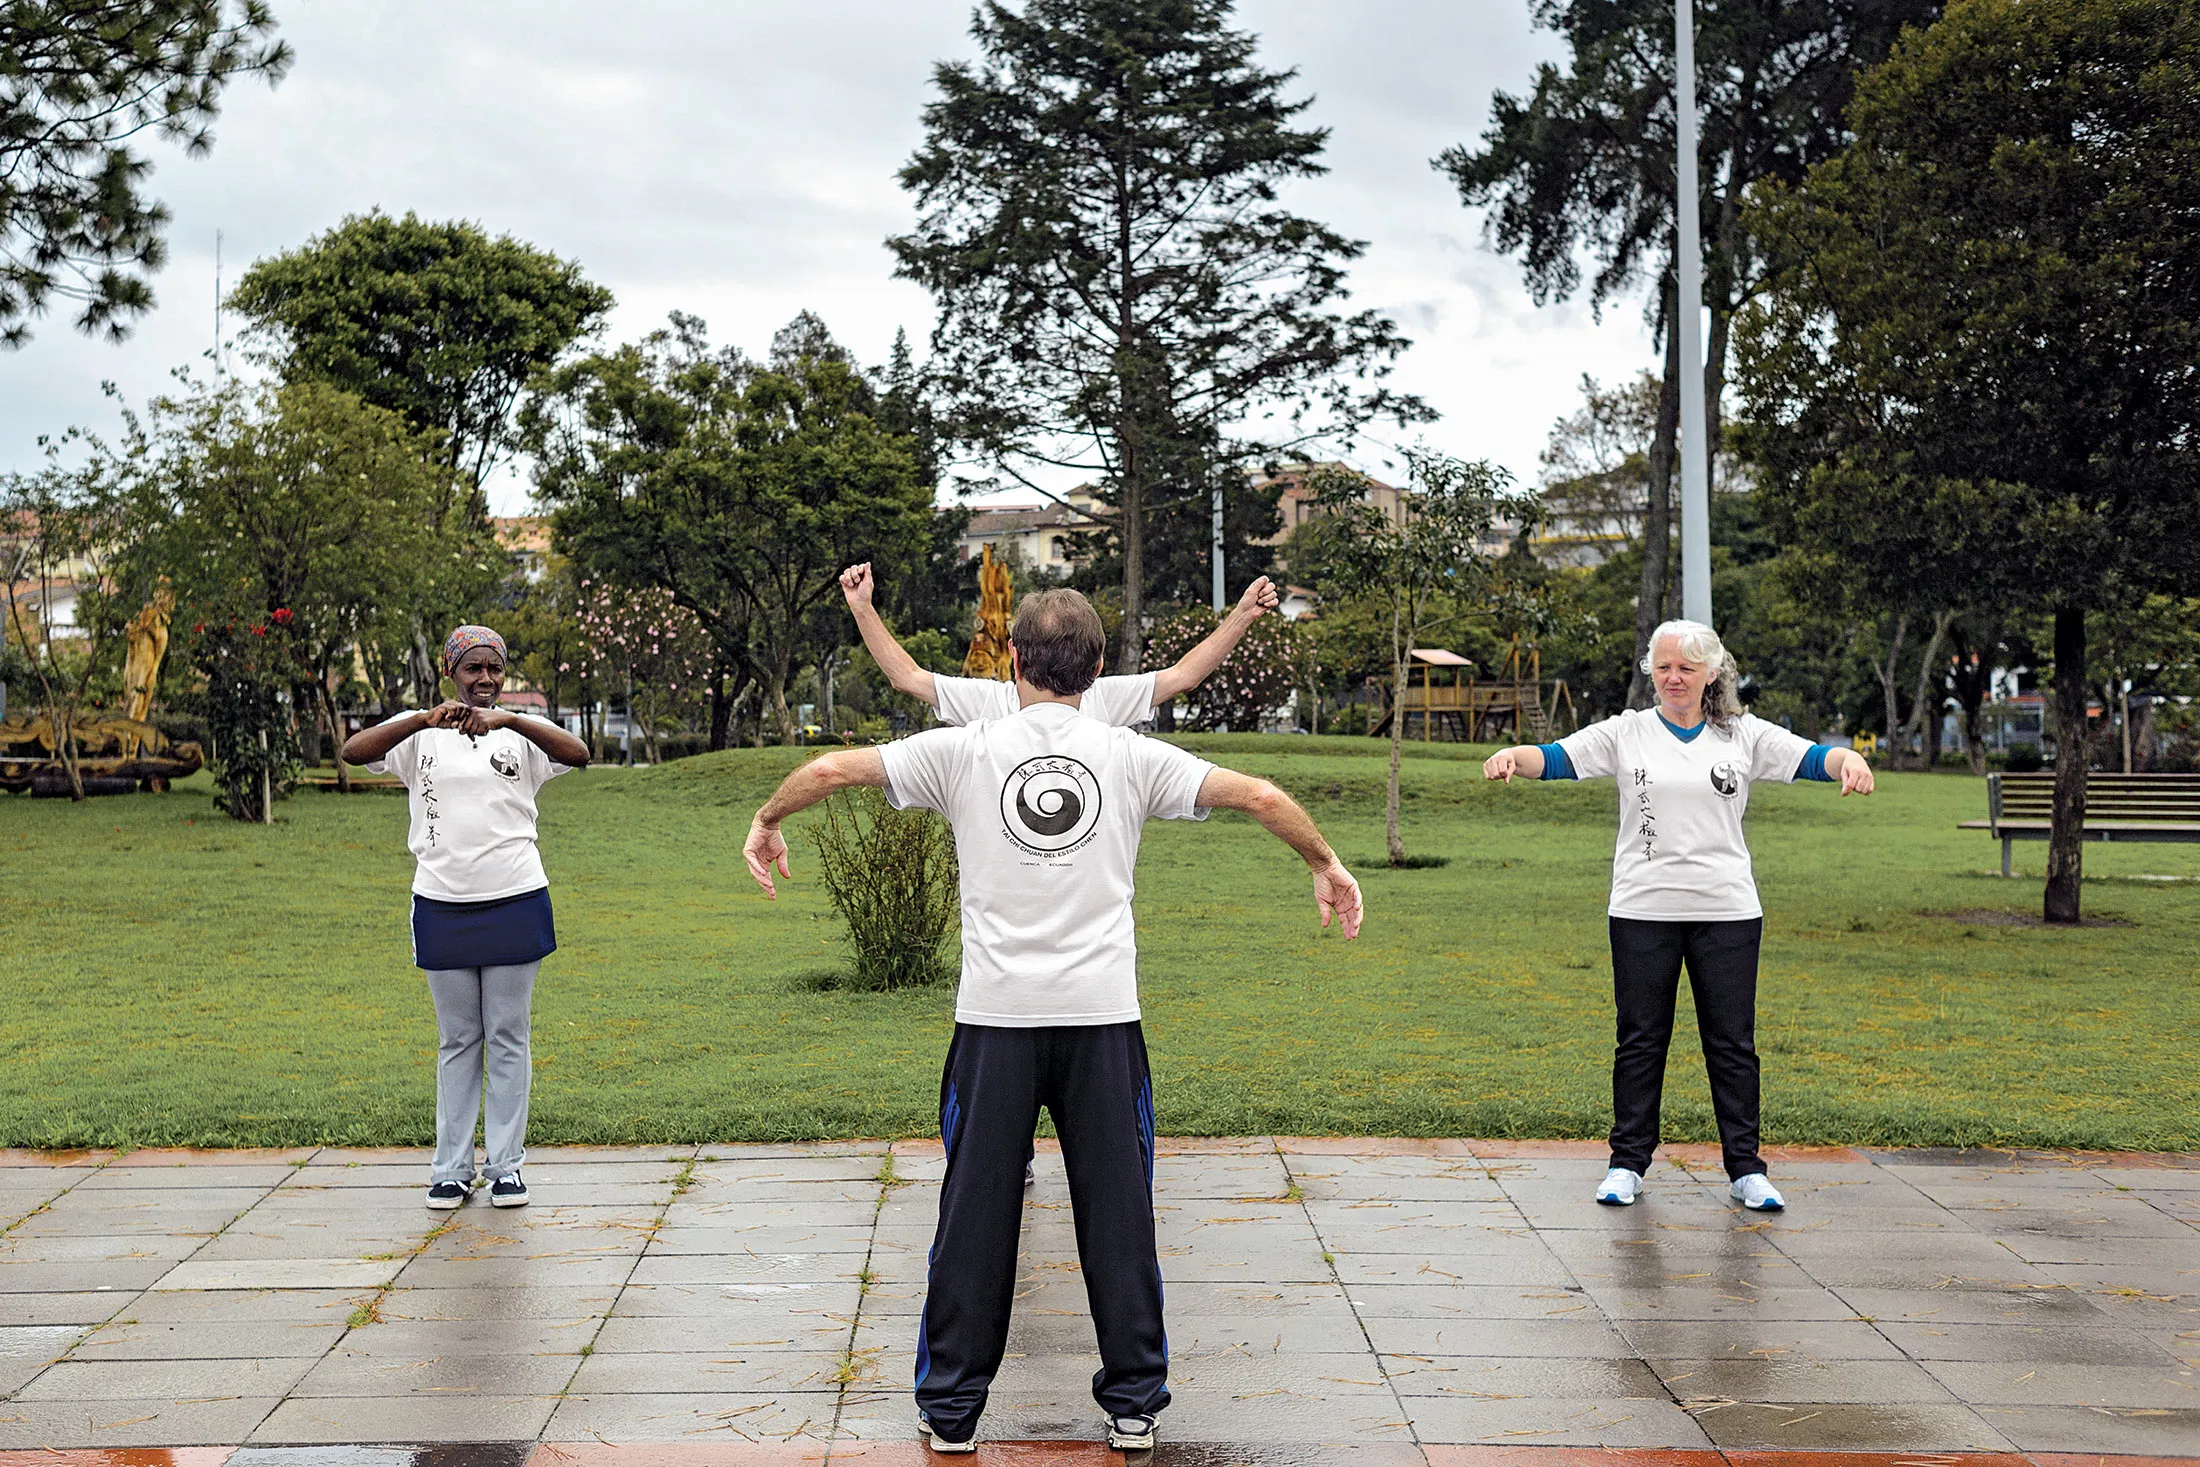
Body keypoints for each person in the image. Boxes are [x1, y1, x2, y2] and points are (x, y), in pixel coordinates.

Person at [742, 588, 1362, 1455]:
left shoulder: (966, 748)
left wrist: (770, 818)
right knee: (1119, 1215)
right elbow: (1258, 793)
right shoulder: (1129, 754)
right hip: (1103, 1026)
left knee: (975, 1214)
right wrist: (1328, 862)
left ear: (1013, 665)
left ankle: (951, 1411)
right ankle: (1135, 1403)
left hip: (996, 1027)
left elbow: (831, 770)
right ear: (1099, 671)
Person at [845, 559, 1281, 1190]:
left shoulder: (1103, 702)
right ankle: (1010, 1157)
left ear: (1018, 657)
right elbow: (910, 677)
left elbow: (1184, 674)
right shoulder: (987, 703)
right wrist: (864, 608)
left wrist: (1239, 616)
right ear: (1093, 661)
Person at [1483, 619, 1875, 1214]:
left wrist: (1850, 761)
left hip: (1727, 911)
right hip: (1643, 908)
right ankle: (1626, 1163)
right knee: (1640, 1041)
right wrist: (1513, 755)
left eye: (1686, 669)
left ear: (1710, 673)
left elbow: (1815, 758)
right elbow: (1558, 758)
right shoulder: (1627, 733)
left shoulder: (1741, 735)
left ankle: (1747, 1170)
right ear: (1651, 671)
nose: (1673, 678)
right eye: (1663, 667)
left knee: (1733, 1044)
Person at [340, 625, 591, 1211]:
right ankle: (450, 1169)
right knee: (458, 1039)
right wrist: (423, 719)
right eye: (473, 668)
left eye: (494, 670)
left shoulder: (520, 734)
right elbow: (355, 753)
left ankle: (506, 1167)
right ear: (452, 671)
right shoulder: (421, 735)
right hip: (442, 903)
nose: (484, 679)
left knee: (508, 1035)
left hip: (516, 899)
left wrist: (510, 720)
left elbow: (578, 755)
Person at [840, 561, 1281, 731]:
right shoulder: (1108, 701)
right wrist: (1240, 616)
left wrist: (863, 608)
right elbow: (1185, 675)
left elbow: (906, 677)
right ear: (1098, 666)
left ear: (1014, 655)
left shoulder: (986, 703)